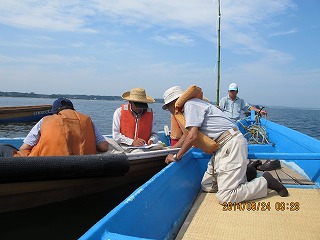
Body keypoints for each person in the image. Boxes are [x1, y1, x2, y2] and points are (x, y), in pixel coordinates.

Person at [162, 85, 288, 204]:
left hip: (230, 143)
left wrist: (176, 157)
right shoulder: (191, 106)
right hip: (222, 147)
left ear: (174, 103)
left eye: (168, 108)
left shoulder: (190, 105)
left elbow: (192, 136)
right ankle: (246, 174)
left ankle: (266, 181)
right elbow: (186, 135)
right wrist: (172, 149)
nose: (169, 111)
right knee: (207, 186)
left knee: (226, 196)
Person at [14, 98, 108, 157]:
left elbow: (24, 147)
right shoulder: (87, 120)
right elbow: (103, 147)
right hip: (82, 168)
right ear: (73, 109)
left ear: (55, 112)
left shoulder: (45, 120)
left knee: (5, 148)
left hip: (46, 166)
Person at [219, 83, 280, 171]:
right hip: (226, 123)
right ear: (228, 91)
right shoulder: (223, 100)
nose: (232, 93)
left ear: (237, 92)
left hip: (236, 123)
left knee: (239, 141)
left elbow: (249, 107)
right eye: (231, 91)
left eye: (234, 91)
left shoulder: (240, 101)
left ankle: (239, 159)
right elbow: (219, 110)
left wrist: (259, 111)